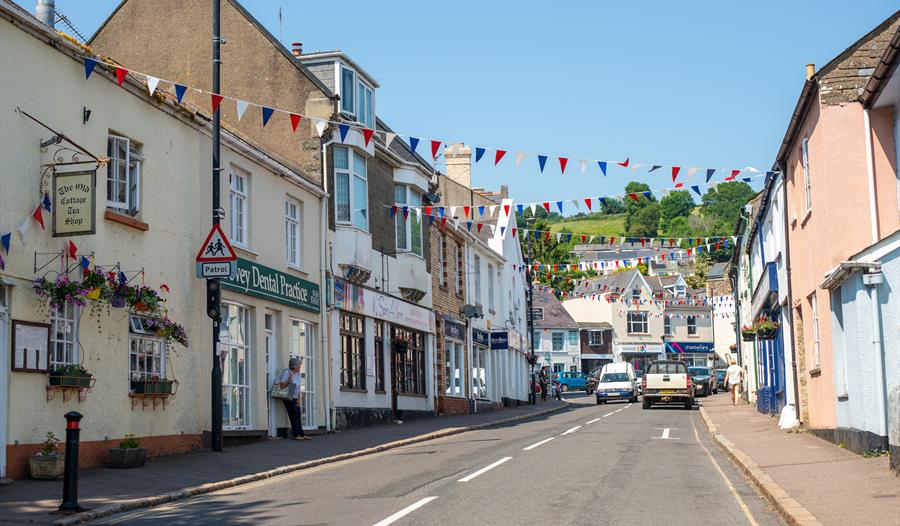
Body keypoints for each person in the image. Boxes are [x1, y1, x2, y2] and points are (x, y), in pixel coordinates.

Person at [278, 357, 310, 440]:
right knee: (293, 415)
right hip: (288, 395)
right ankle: (296, 435)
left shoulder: (297, 373)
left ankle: (301, 434)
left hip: (295, 396)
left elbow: (298, 387)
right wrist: (289, 380)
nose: (300, 367)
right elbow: (281, 385)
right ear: (294, 366)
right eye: (299, 366)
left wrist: (299, 398)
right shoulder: (287, 372)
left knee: (298, 415)